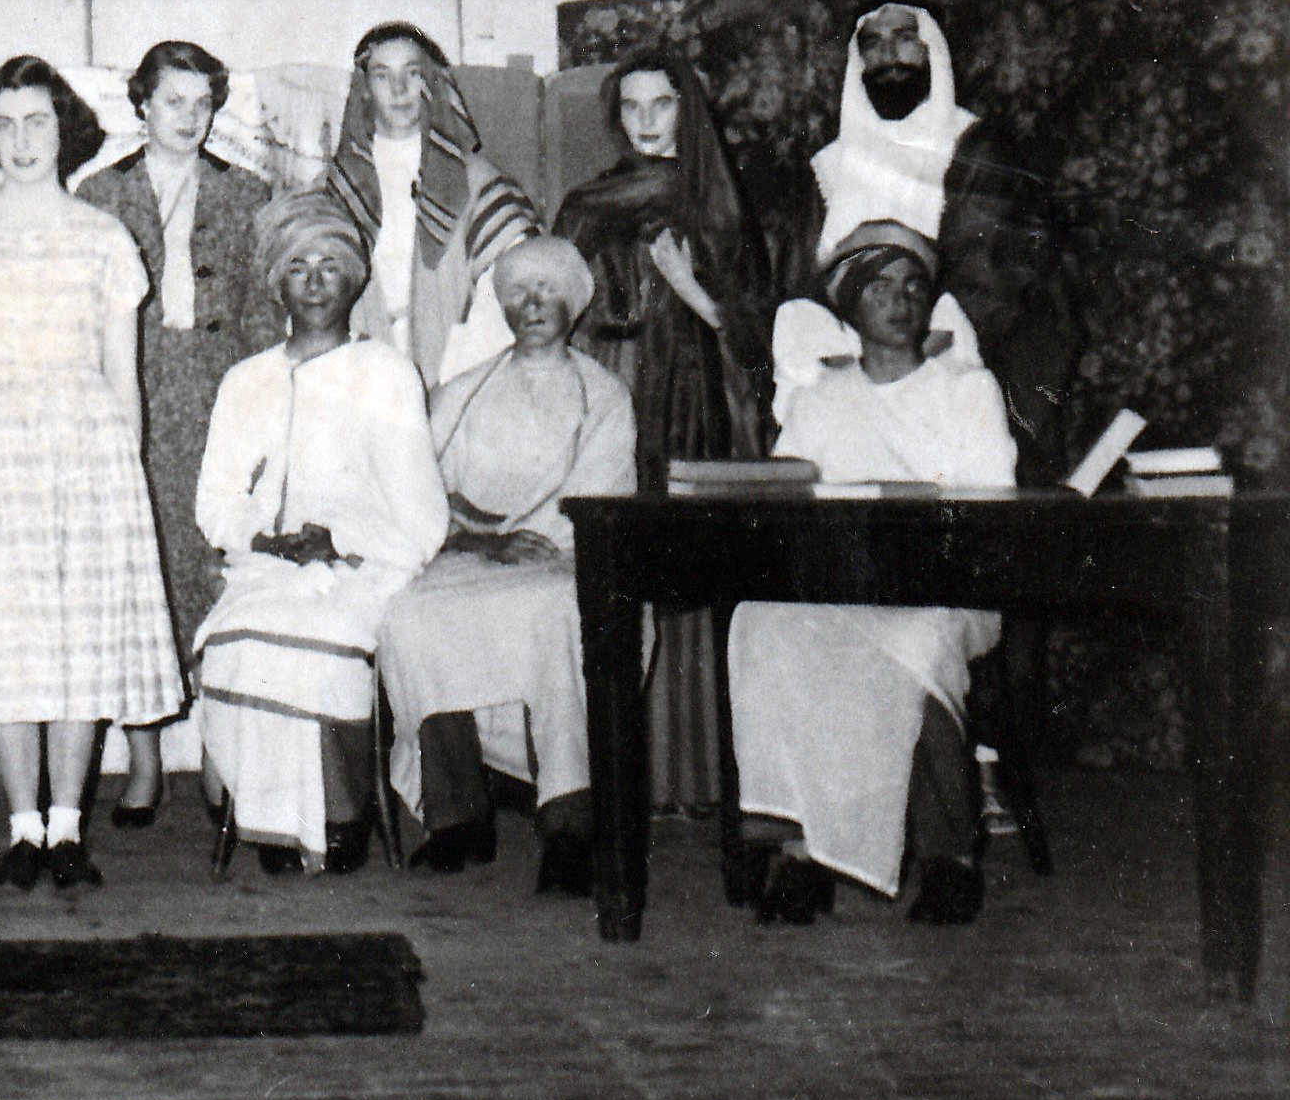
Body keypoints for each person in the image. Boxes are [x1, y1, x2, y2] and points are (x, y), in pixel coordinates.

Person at [0, 56, 183, 892]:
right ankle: (22, 828)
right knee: (9, 636)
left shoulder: (103, 236)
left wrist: (126, 482)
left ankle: (68, 828)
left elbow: (124, 375)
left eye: (37, 122)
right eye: (4, 124)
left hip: (83, 447)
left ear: (65, 130)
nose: (21, 141)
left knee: (76, 639)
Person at [727, 222, 1017, 928]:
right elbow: (788, 497)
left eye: (913, 287)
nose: (899, 302)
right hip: (841, 588)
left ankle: (949, 860)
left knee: (913, 644)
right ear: (852, 306)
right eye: (880, 288)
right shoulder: (822, 398)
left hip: (942, 591)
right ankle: (800, 851)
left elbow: (989, 512)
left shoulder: (967, 389)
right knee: (762, 624)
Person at [193, 192, 449, 875]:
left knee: (321, 643)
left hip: (362, 566)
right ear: (276, 282)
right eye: (297, 267)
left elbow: (421, 514)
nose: (313, 283)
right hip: (265, 567)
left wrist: (339, 543)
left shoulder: (385, 373)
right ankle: (268, 818)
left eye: (329, 266)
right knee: (238, 638)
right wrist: (261, 539)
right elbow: (216, 500)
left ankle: (339, 814)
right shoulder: (245, 381)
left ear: (354, 280)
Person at [378, 237, 636, 894]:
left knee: (555, 615)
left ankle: (569, 826)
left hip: (563, 560)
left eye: (547, 291)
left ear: (573, 304)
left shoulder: (603, 397)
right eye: (519, 293)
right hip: (473, 557)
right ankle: (458, 815)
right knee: (407, 613)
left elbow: (598, 505)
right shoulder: (466, 392)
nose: (533, 305)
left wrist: (528, 545)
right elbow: (421, 490)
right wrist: (480, 543)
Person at [553, 48, 772, 817]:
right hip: (612, 390)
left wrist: (687, 286)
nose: (646, 121)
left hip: (695, 396)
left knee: (690, 567)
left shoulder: (716, 201)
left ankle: (698, 779)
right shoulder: (589, 202)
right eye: (632, 106)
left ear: (688, 110)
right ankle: (621, 776)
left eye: (663, 104)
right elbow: (554, 300)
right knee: (616, 571)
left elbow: (756, 337)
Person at [76, 40, 279, 828]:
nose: (189, 118)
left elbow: (264, 316)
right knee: (141, 575)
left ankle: (222, 757)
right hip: (135, 395)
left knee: (218, 572)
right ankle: (146, 760)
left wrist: (264, 411)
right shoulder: (99, 193)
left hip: (221, 398)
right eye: (173, 102)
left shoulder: (249, 193)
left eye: (202, 104)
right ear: (141, 105)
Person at [773, 0, 1081, 480]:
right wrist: (844, 357)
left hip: (952, 364)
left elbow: (989, 283)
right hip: (846, 371)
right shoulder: (830, 164)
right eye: (873, 44)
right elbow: (804, 284)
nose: (889, 56)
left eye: (904, 39)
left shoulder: (973, 147)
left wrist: (900, 351)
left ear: (931, 48)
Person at [321, 21, 539, 389]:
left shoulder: (478, 181)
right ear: (364, 89)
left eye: (413, 72)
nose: (399, 89)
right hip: (359, 373)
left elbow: (511, 281)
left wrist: (459, 373)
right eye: (382, 75)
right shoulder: (335, 186)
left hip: (459, 369)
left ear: (433, 82)